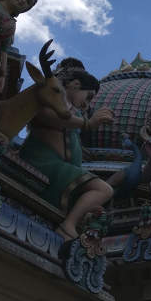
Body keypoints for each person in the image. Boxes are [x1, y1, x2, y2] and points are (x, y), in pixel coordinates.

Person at [19, 58, 115, 240]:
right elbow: (48, 117)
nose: (88, 104)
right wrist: (88, 123)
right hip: (41, 161)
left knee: (97, 203)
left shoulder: (73, 113)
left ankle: (72, 220)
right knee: (104, 190)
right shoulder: (50, 100)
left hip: (62, 170)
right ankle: (68, 226)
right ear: (75, 84)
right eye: (89, 97)